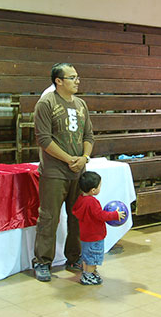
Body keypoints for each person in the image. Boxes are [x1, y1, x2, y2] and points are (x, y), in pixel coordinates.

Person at [32, 62, 95, 282]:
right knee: (49, 217)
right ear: (58, 81)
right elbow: (43, 139)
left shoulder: (81, 104)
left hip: (78, 171)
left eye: (77, 77)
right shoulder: (46, 104)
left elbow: (89, 136)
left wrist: (84, 158)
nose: (77, 81)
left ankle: (74, 258)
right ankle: (42, 261)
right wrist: (69, 159)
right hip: (54, 172)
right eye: (72, 77)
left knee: (77, 217)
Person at [72, 171, 125, 285]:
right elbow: (101, 215)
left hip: (85, 236)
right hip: (95, 236)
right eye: (99, 186)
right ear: (93, 190)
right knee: (93, 257)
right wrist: (115, 215)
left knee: (87, 256)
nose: (100, 188)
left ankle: (86, 273)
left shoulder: (80, 199)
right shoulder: (92, 202)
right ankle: (88, 276)